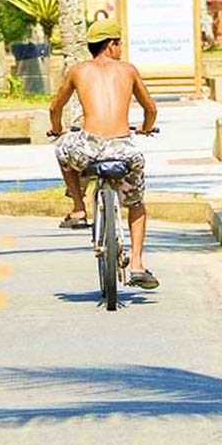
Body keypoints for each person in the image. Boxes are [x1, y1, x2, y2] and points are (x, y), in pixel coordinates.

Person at [48, 17, 160, 289]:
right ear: (110, 45)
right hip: (123, 149)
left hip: (89, 147)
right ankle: (136, 264)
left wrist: (57, 129)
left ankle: (78, 209)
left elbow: (55, 108)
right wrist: (145, 129)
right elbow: (151, 110)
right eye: (119, 44)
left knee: (62, 149)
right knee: (136, 203)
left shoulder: (78, 70)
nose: (120, 49)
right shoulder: (129, 70)